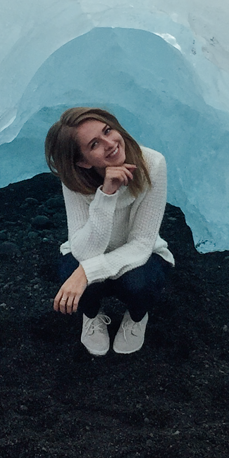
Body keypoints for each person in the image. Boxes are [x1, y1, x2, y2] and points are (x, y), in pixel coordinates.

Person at [44, 106, 175, 356]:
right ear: (82, 161)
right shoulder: (73, 180)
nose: (110, 143)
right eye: (94, 144)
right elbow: (83, 250)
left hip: (140, 256)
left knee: (139, 284)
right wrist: (106, 194)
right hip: (89, 250)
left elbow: (141, 244)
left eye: (108, 130)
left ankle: (137, 317)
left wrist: (85, 272)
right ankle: (92, 315)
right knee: (71, 277)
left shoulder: (153, 164)